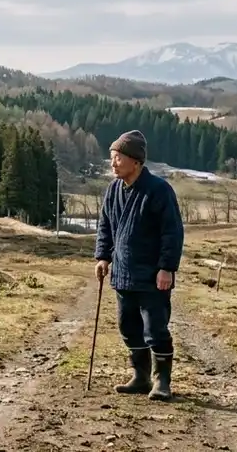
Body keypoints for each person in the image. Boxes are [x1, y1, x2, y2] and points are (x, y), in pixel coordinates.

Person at [94, 130, 184, 401]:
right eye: (112, 157)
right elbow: (105, 226)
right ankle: (140, 376)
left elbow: (172, 232)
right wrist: (102, 257)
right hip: (123, 275)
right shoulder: (113, 190)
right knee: (128, 326)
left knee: (155, 329)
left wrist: (167, 267)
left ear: (136, 161)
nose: (113, 163)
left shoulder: (159, 190)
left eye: (118, 157)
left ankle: (162, 381)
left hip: (152, 277)